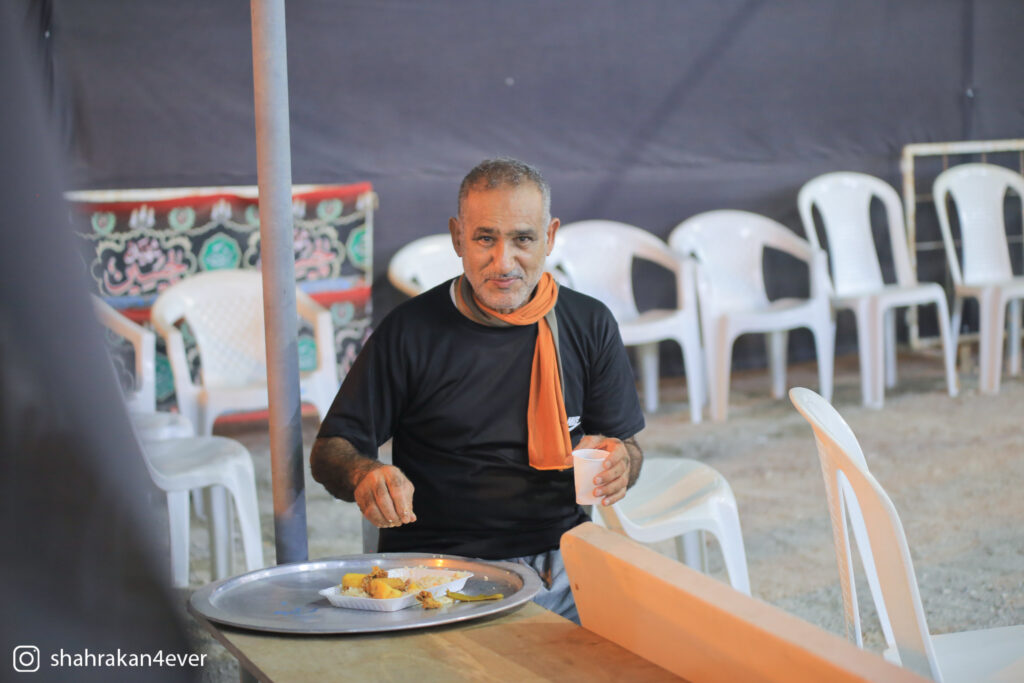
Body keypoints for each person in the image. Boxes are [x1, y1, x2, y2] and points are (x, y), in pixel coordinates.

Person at [310, 158, 644, 621]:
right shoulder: (410, 331)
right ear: (457, 238)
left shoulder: (589, 324)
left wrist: (622, 464)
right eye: (485, 238)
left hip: (560, 561)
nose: (503, 262)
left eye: (523, 239)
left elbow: (626, 446)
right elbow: (331, 449)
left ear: (549, 237)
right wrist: (364, 473)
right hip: (437, 571)